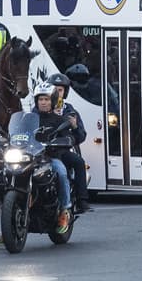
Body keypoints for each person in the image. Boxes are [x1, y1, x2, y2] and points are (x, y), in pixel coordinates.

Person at [29, 83, 73, 234]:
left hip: (50, 159)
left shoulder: (59, 120)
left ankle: (65, 210)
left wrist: (62, 141)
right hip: (30, 159)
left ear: (53, 101)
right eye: (40, 99)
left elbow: (68, 137)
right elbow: (18, 133)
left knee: (61, 172)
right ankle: (8, 222)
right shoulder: (29, 119)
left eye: (46, 99)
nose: (43, 102)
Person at [49, 72, 90, 213]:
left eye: (60, 90)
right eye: (54, 89)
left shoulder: (70, 110)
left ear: (65, 92)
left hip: (62, 150)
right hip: (42, 151)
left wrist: (75, 126)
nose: (57, 93)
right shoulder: (41, 107)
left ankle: (82, 200)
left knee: (79, 162)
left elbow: (81, 136)